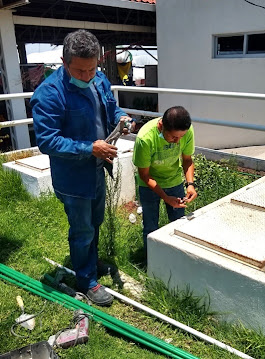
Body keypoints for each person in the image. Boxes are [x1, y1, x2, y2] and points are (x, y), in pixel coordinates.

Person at [31, 30, 132, 306]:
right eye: (80, 70)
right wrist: (89, 148)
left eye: (92, 68)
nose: (88, 75)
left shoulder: (98, 79)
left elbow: (111, 109)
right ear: (64, 63)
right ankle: (87, 280)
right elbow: (47, 141)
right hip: (73, 177)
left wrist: (122, 117)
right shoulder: (49, 94)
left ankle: (90, 260)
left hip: (97, 169)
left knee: (94, 222)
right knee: (82, 229)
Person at [132, 106, 197, 258]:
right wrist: (165, 197)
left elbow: (187, 160)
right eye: (174, 137)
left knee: (179, 223)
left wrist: (190, 185)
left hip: (174, 181)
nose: (177, 142)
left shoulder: (186, 131)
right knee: (150, 227)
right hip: (149, 185)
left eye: (181, 137)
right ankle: (152, 262)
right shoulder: (145, 138)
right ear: (161, 126)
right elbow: (145, 175)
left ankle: (177, 258)